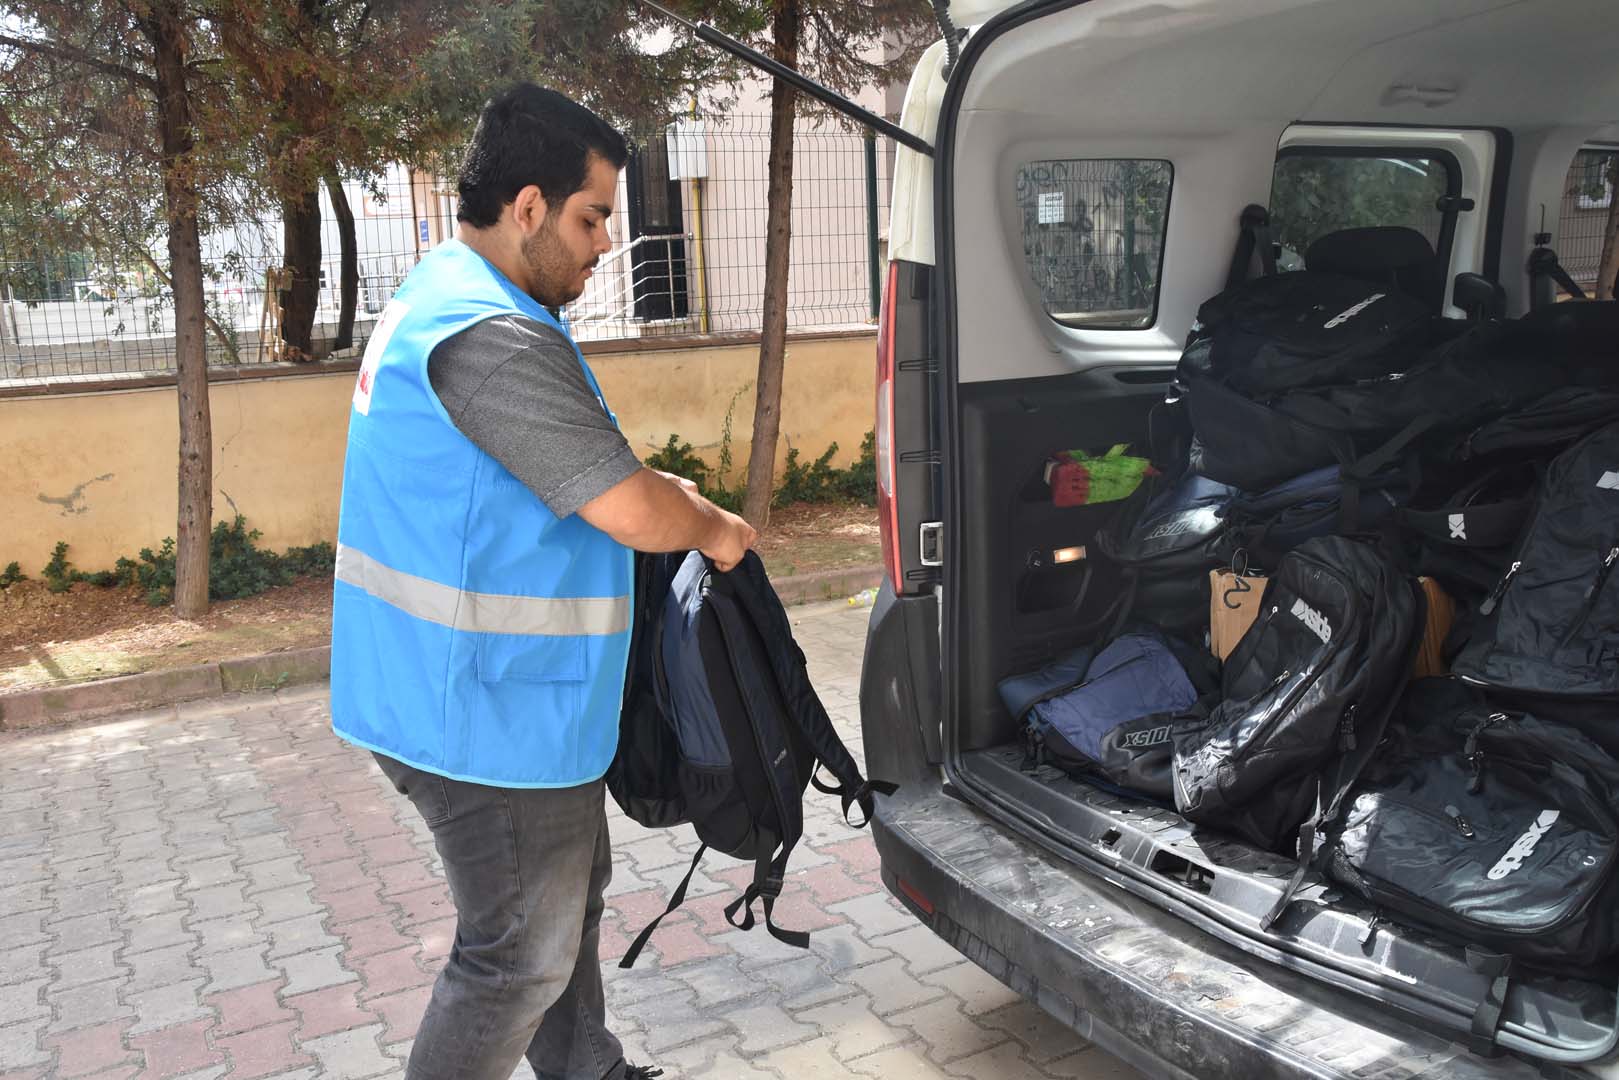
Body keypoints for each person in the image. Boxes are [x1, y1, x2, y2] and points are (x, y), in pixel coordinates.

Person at [328, 83, 756, 1080]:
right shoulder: (490, 334)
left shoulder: (451, 294)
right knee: (514, 955)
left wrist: (652, 486)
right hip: (482, 714)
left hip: (468, 694)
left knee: (562, 902)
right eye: (592, 216)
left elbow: (558, 473)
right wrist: (715, 526)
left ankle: (589, 1070)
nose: (607, 242)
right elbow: (630, 511)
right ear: (528, 206)